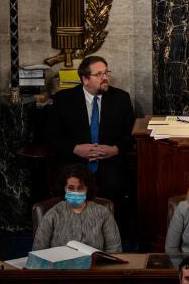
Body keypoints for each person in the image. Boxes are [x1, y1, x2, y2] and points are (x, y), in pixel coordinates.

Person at [47, 55, 135, 217]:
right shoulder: (64, 100)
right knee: (71, 183)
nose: (105, 78)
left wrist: (114, 150)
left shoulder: (121, 99)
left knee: (115, 183)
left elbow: (130, 136)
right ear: (85, 79)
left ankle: (111, 232)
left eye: (106, 73)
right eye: (99, 74)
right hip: (74, 160)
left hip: (109, 161)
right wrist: (75, 149)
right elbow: (52, 136)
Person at [32, 163, 121, 253]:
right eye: (70, 188)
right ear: (64, 188)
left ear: (88, 189)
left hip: (96, 266)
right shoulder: (52, 214)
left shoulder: (103, 213)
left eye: (80, 188)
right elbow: (38, 252)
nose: (75, 192)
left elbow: (115, 250)